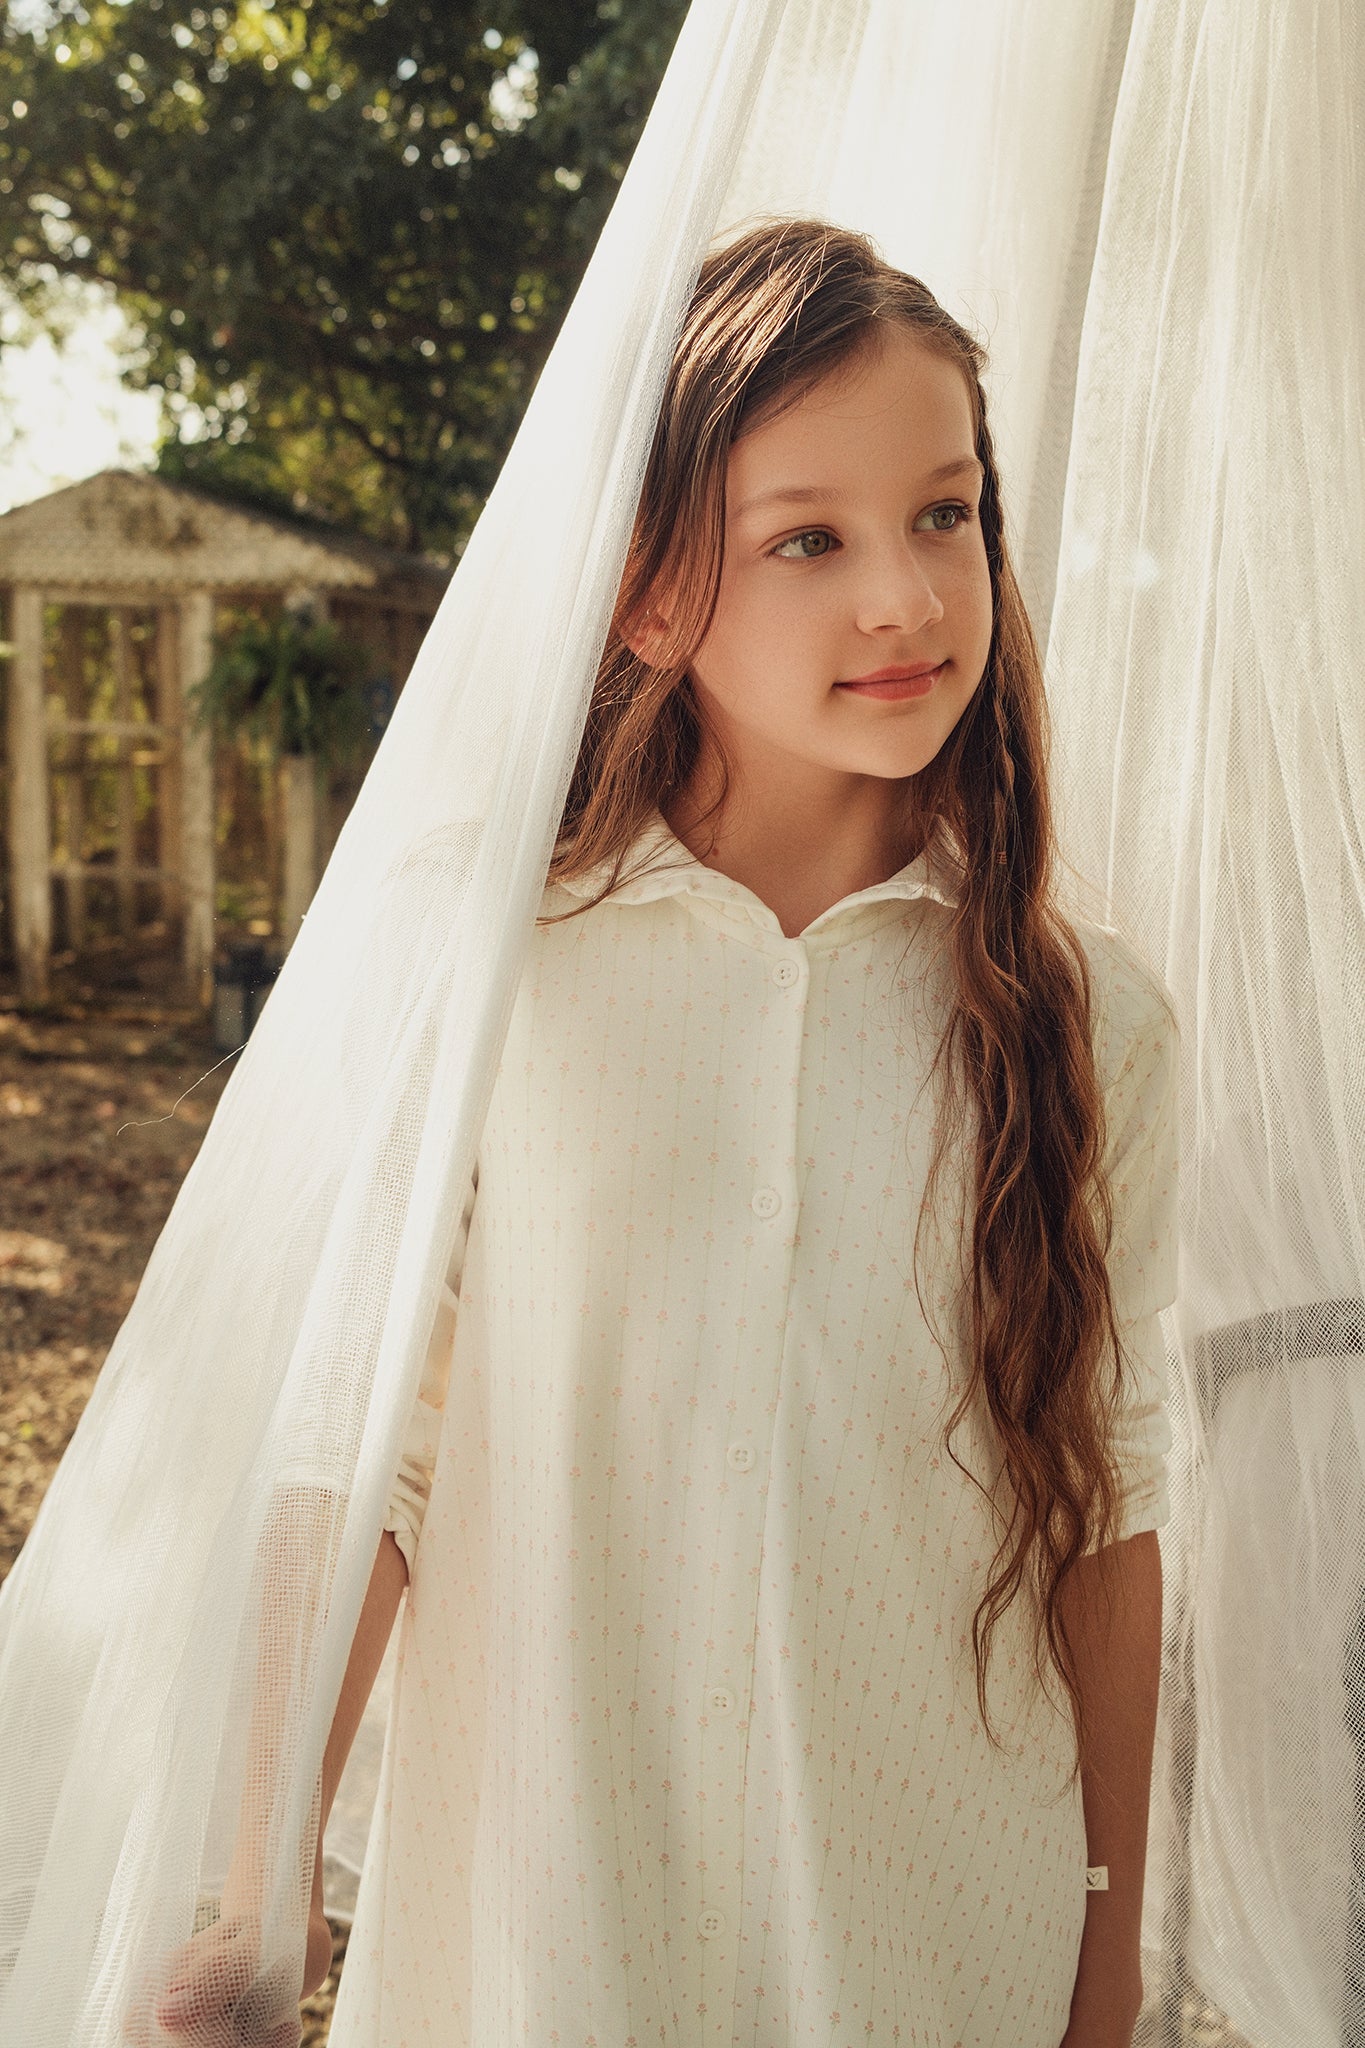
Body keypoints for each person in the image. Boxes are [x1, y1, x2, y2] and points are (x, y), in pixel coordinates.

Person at [144, 217, 1177, 2048]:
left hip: (930, 1942)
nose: (908, 602)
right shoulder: (489, 973)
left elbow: (1107, 1510)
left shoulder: (1089, 1023)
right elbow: (362, 1457)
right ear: (644, 594)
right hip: (547, 1934)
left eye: (947, 515)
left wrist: (1101, 1977)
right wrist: (259, 1876)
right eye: (810, 539)